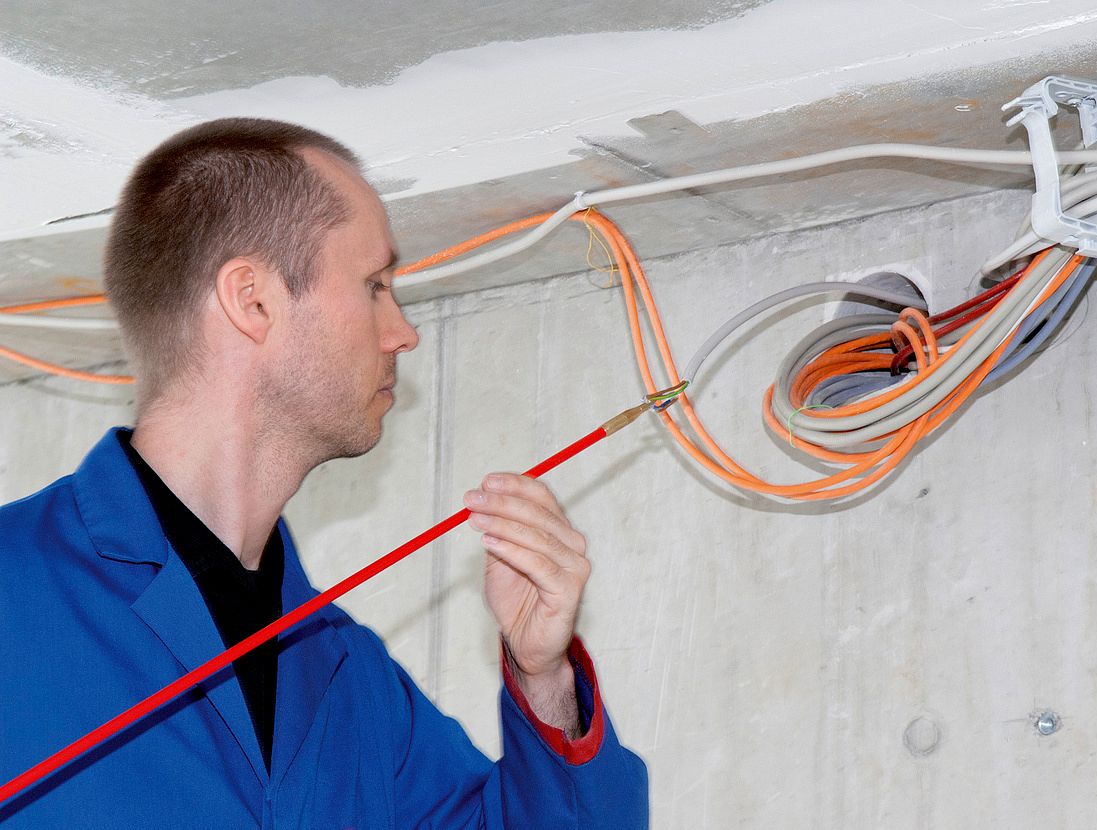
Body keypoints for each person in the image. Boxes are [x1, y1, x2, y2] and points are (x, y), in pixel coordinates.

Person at [0, 118, 648, 828]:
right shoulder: (14, 589)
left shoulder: (351, 678)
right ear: (252, 300)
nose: (403, 332)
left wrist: (545, 676)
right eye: (375, 285)